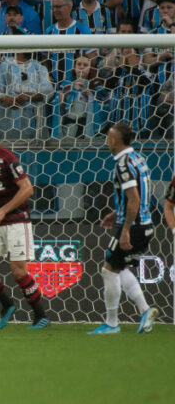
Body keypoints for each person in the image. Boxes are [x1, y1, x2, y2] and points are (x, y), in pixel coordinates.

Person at [0, 116, 50, 330]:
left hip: (16, 221)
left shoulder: (7, 158)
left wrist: (3, 211)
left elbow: (27, 189)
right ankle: (7, 305)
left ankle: (40, 316)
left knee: (19, 272)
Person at [92, 122, 159, 334]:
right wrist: (115, 213)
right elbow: (136, 196)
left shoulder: (123, 164)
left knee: (108, 270)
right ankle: (145, 310)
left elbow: (134, 199)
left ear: (114, 140)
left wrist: (126, 229)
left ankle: (112, 323)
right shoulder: (138, 158)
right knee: (120, 268)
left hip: (134, 226)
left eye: (108, 137)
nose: (106, 141)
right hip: (146, 223)